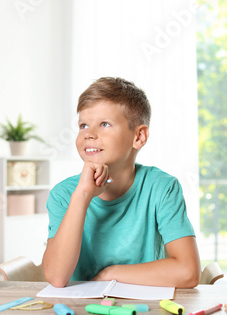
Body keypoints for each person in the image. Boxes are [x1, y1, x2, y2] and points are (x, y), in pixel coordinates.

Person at [42, 77, 201, 288]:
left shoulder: (162, 188)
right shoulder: (63, 194)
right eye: (83, 125)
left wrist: (111, 274)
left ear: (139, 136)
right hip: (77, 312)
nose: (89, 134)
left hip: (144, 312)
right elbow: (56, 277)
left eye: (105, 124)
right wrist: (82, 195)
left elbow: (188, 272)